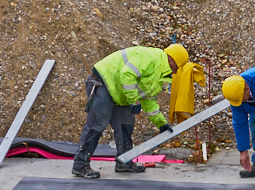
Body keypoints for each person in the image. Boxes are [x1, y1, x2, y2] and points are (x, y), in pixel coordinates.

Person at [72, 44, 188, 179]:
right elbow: (127, 74)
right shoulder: (150, 57)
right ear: (173, 60)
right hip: (104, 82)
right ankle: (80, 164)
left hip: (120, 92)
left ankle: (124, 162)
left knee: (125, 125)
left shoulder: (159, 75)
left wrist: (161, 124)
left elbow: (149, 101)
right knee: (96, 125)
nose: (176, 71)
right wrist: (134, 100)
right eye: (178, 67)